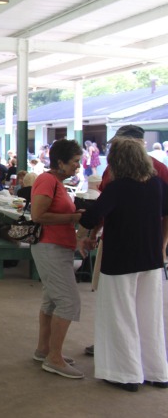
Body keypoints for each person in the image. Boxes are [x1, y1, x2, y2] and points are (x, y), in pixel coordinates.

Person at [75, 138, 168, 392]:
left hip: (121, 258)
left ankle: (124, 373)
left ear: (117, 161)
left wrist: (86, 237)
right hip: (151, 259)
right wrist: (162, 243)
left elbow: (94, 216)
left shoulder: (117, 188)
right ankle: (156, 371)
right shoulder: (157, 185)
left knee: (120, 315)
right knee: (150, 316)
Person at [30, 139, 85, 379]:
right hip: (49, 246)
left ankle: (45, 349)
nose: (78, 166)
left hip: (58, 247)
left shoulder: (58, 183)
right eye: (74, 162)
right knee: (69, 302)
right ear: (60, 162)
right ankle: (55, 358)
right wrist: (73, 218)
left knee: (52, 300)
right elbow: (38, 215)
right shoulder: (47, 180)